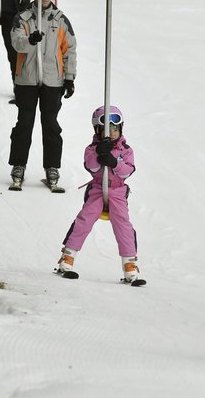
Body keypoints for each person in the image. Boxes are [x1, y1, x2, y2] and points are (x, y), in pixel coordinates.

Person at [55, 105, 144, 286]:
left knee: (123, 225)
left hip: (117, 191)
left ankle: (129, 265)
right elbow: (93, 168)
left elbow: (127, 172)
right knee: (84, 220)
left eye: (115, 129)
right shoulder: (91, 148)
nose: (111, 133)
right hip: (97, 188)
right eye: (106, 129)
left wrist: (113, 162)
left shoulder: (126, 150)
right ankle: (68, 257)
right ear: (97, 130)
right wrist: (99, 153)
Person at [8, 0, 77, 189]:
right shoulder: (23, 18)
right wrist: (30, 40)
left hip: (52, 80)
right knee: (24, 124)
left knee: (51, 125)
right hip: (27, 79)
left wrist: (69, 77)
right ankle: (18, 165)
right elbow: (16, 42)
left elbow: (70, 49)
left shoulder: (61, 20)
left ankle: (52, 167)